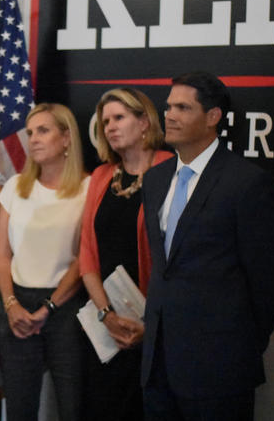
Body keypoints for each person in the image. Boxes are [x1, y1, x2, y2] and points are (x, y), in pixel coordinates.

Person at [140, 71, 274, 419]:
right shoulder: (156, 179)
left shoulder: (248, 183)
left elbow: (269, 280)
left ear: (212, 118)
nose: (170, 115)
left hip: (220, 370)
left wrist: (243, 346)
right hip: (158, 366)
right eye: (168, 107)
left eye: (183, 107)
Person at [78, 88, 172, 421]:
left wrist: (150, 323)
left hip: (156, 327)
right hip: (105, 325)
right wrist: (106, 313)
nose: (110, 127)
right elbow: (87, 252)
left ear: (144, 122)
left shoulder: (172, 171)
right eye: (105, 121)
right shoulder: (102, 176)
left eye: (119, 118)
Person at [0, 103, 90, 421]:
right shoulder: (15, 187)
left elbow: (83, 258)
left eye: (43, 131)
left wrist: (48, 307)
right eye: (30, 131)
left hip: (66, 308)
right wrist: (11, 305)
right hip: (16, 305)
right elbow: (1, 254)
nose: (33, 139)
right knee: (20, 408)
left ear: (66, 138)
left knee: (73, 406)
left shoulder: (89, 188)